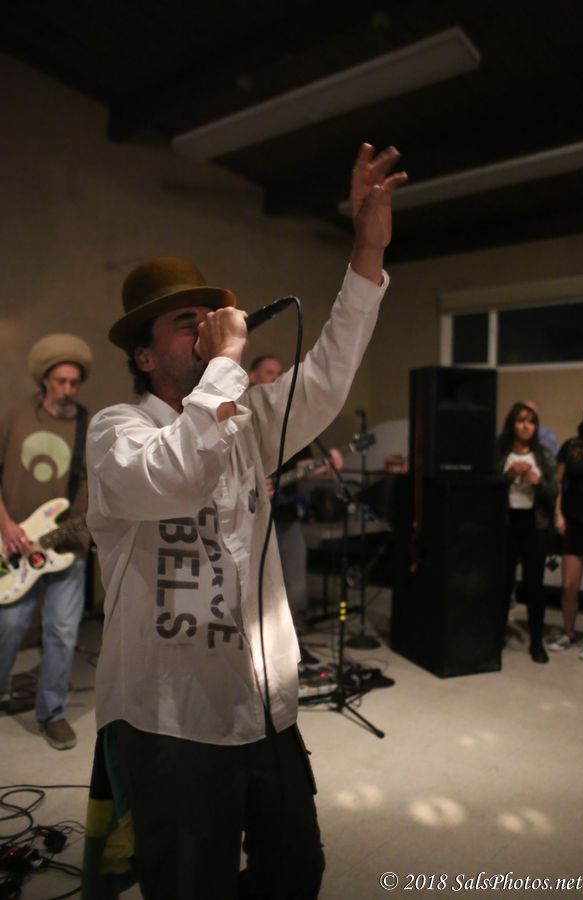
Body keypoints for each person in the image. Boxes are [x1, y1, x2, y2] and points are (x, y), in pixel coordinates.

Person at [85, 143, 407, 899]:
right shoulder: (116, 431)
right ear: (144, 357)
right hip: (169, 717)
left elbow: (327, 373)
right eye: (185, 325)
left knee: (296, 870)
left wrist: (366, 253)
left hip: (262, 705)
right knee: (191, 884)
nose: (204, 333)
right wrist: (227, 358)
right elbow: (178, 472)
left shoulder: (247, 420)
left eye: (210, 320)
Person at [0, 333, 92, 749]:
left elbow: (94, 484)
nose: (68, 390)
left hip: (67, 549)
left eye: (74, 382)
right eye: (60, 381)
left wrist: (87, 526)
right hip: (15, 545)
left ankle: (52, 713)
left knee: (62, 631)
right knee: (10, 625)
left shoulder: (87, 425)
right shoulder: (15, 416)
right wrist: (6, 525)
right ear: (45, 380)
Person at [248, 354, 343, 665]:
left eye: (280, 373)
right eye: (270, 372)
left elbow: (302, 467)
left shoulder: (289, 421)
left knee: (294, 583)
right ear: (252, 376)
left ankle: (291, 651)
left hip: (285, 516)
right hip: (249, 520)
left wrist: (325, 466)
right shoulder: (241, 415)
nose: (277, 378)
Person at [497, 402, 558, 663]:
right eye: (521, 420)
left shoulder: (543, 455)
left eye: (531, 421)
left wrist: (538, 482)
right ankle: (496, 636)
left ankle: (536, 642)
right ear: (512, 424)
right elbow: (485, 488)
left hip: (535, 526)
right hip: (506, 525)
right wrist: (508, 476)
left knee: (534, 586)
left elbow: (553, 492)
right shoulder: (500, 452)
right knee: (502, 584)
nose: (526, 426)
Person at [549, 397, 583, 660]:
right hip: (574, 522)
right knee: (569, 584)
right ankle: (567, 632)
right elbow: (559, 483)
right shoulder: (572, 446)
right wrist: (558, 514)